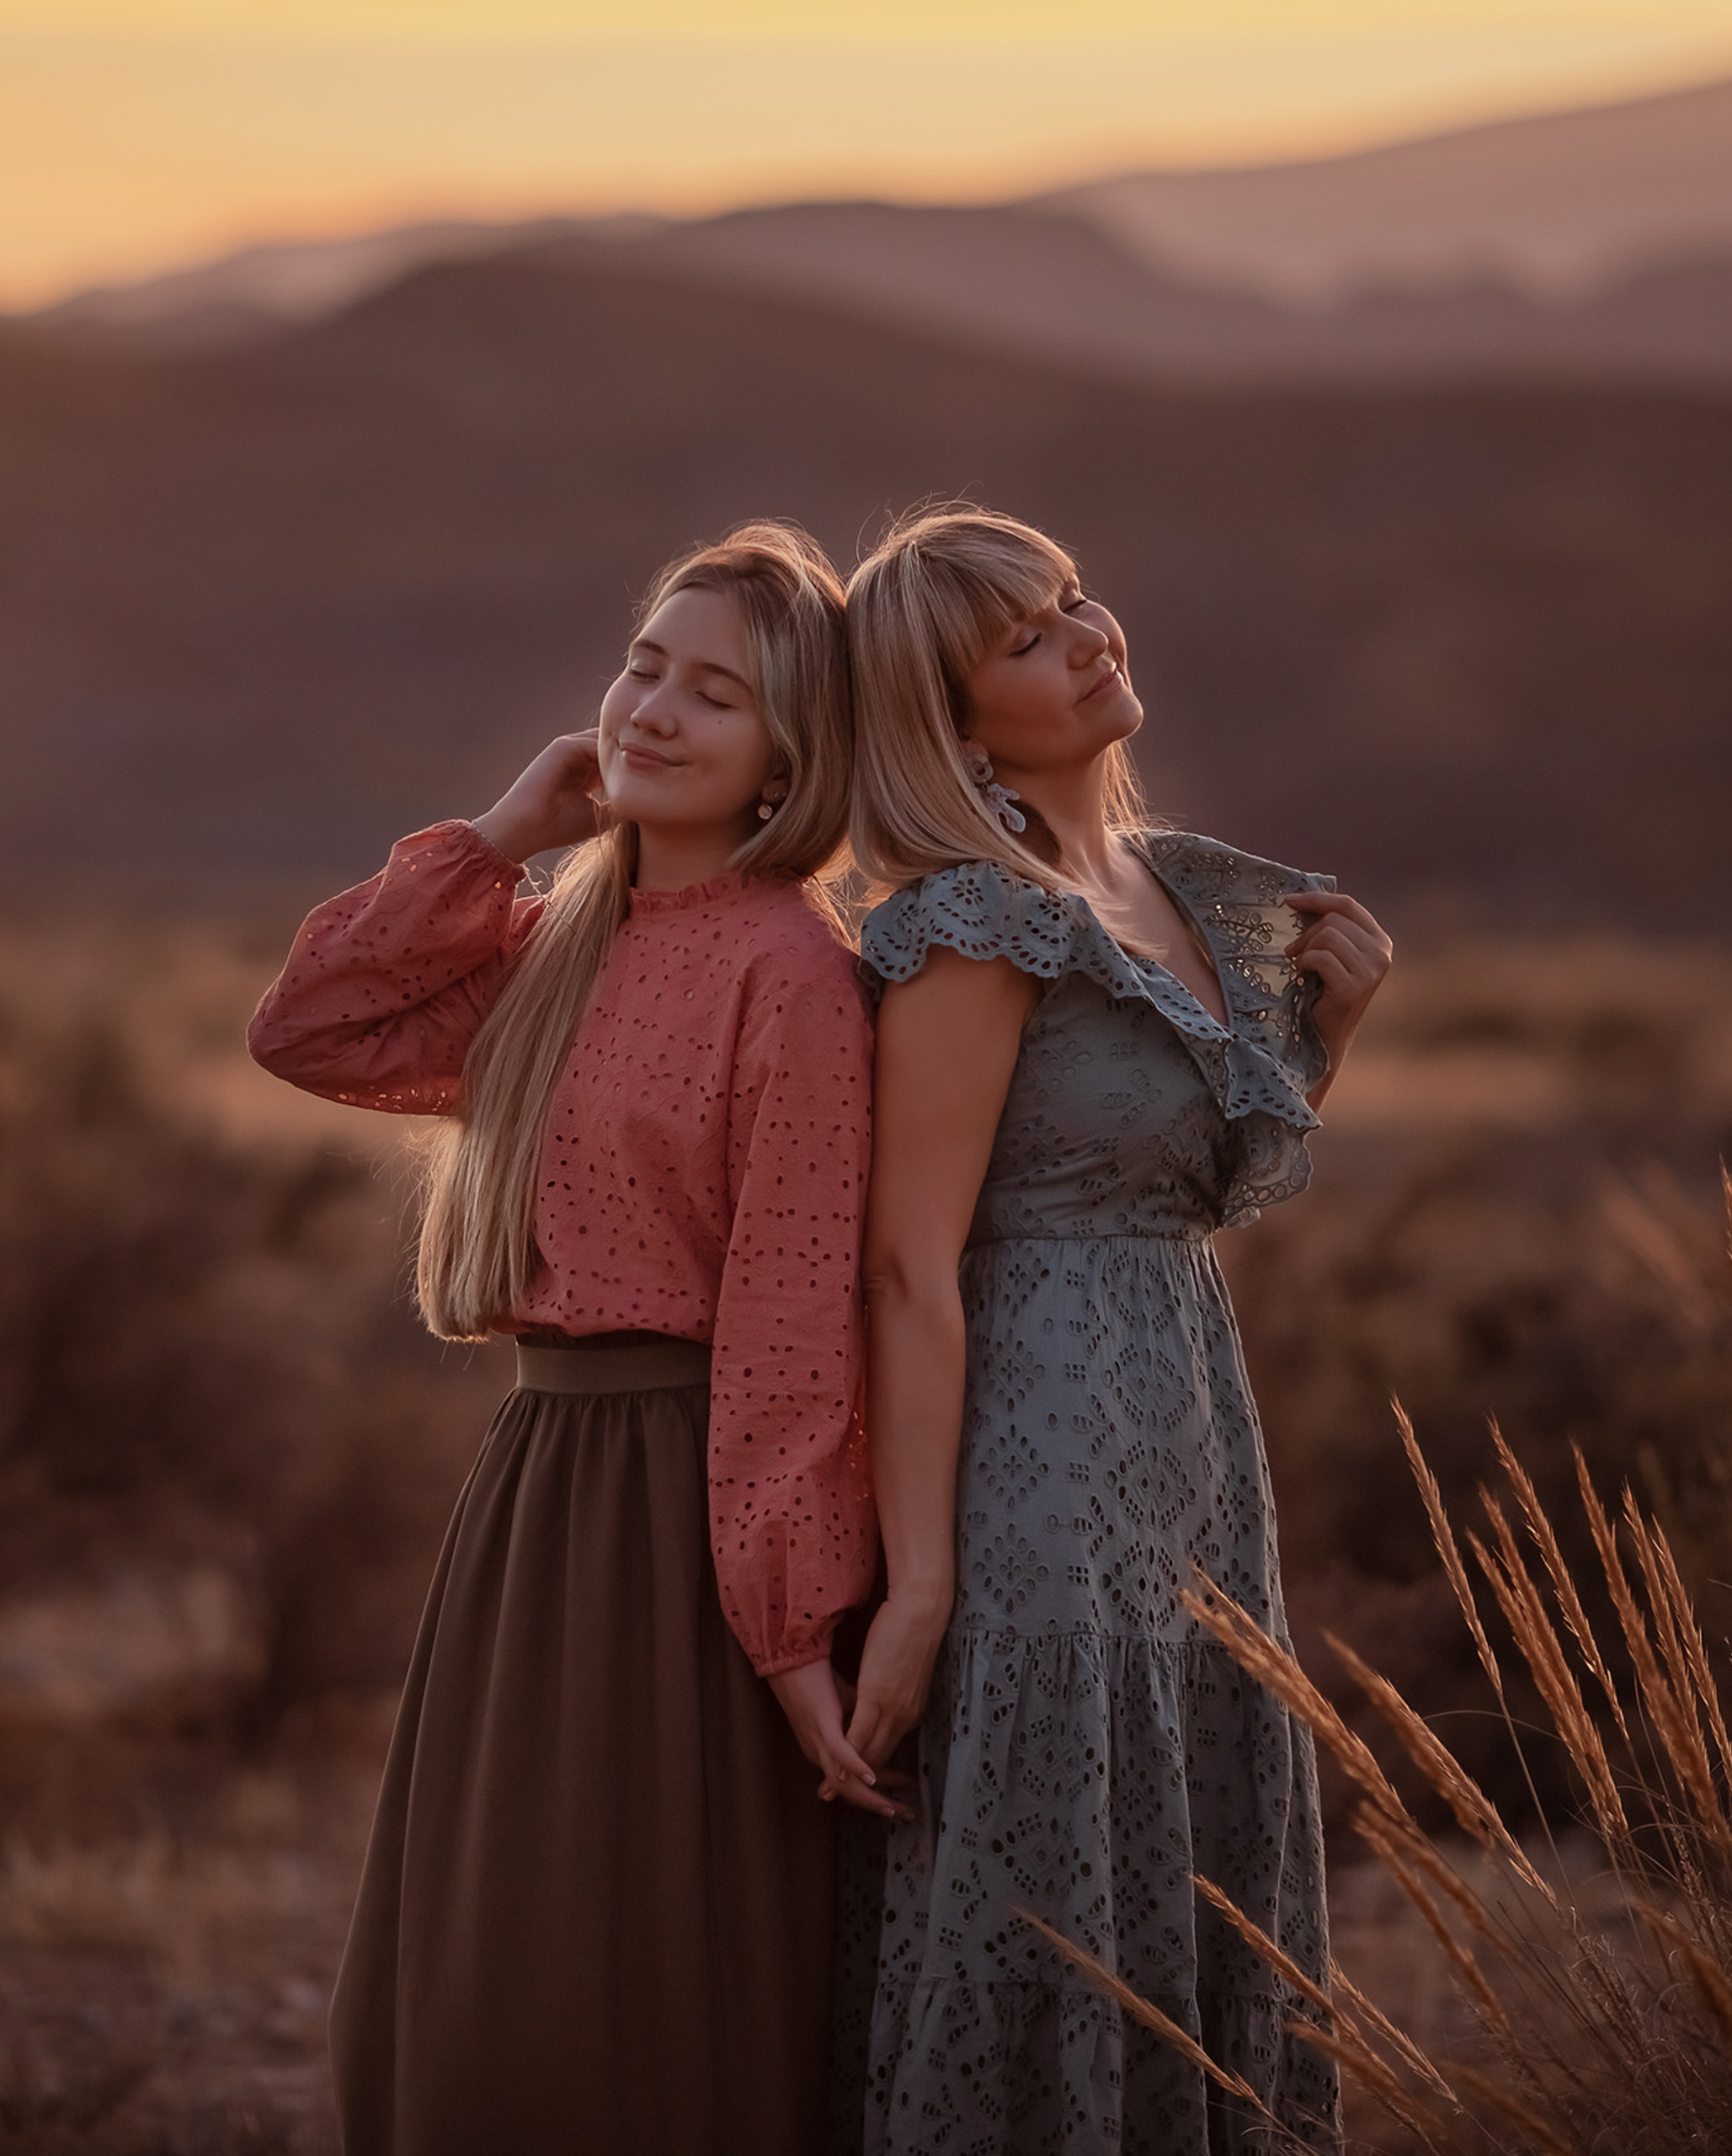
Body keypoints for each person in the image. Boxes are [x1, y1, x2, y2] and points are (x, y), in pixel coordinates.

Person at [247, 524, 894, 2156]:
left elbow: (790, 1323)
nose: (653, 712)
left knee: (617, 1977)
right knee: (481, 1954)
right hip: (533, 1479)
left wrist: (788, 1625)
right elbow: (308, 1024)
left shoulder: (793, 974)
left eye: (715, 695)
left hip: (685, 1513)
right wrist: (495, 838)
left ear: (788, 757)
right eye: (643, 666)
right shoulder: (548, 939)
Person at [833, 505, 1391, 2153]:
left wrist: (1323, 1035)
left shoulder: (1159, 886)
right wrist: (921, 1580)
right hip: (1035, 1437)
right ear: (948, 719)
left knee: (1193, 1799)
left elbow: (1194, 1184)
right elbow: (904, 1263)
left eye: (1072, 599)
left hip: (1189, 1424)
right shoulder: (971, 918)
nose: (1086, 634)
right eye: (1025, 636)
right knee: (1049, 1819)